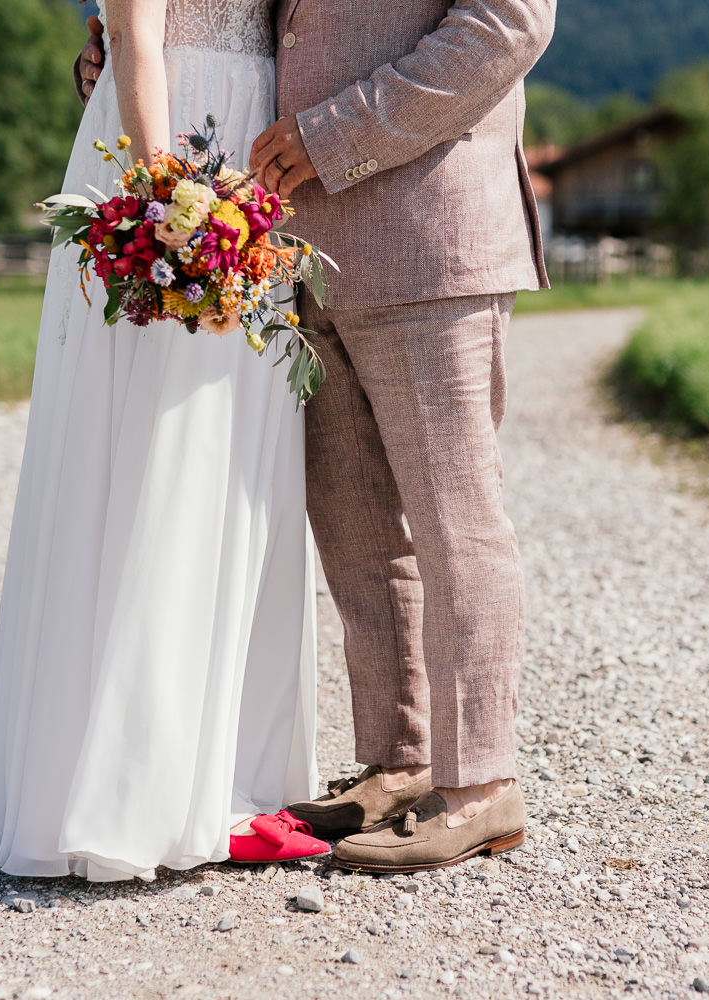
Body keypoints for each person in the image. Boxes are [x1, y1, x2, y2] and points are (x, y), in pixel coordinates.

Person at [76, 0, 555, 873]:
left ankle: (482, 786)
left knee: (456, 523)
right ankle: (399, 762)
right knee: (357, 530)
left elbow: (508, 25)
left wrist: (337, 132)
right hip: (294, 254)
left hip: (431, 240)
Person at [0, 0, 329, 883]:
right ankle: (138, 787)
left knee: (237, 463)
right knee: (163, 452)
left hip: (247, 147)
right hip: (175, 152)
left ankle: (227, 776)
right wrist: (171, 202)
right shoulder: (169, 183)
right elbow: (133, 31)